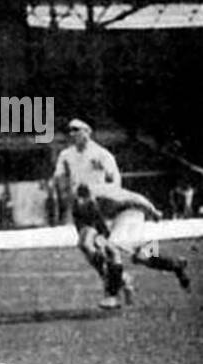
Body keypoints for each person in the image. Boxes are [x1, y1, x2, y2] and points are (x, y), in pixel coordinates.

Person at [88, 184, 190, 309]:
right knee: (140, 257)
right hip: (125, 218)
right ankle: (175, 264)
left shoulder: (100, 192)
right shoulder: (88, 200)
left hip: (131, 214)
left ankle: (113, 296)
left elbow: (135, 198)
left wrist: (153, 211)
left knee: (112, 248)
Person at [52, 119, 121, 286]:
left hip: (98, 206)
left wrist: (106, 194)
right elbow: (59, 176)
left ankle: (113, 280)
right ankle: (114, 279)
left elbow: (115, 178)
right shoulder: (66, 155)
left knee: (89, 245)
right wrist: (64, 192)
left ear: (87, 131)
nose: (72, 134)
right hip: (79, 207)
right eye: (70, 130)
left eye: (76, 130)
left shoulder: (101, 154)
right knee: (91, 247)